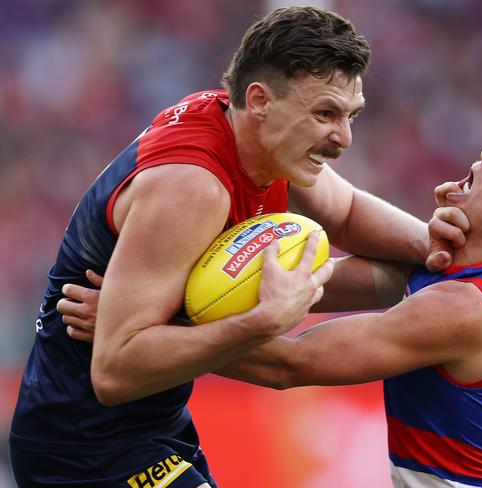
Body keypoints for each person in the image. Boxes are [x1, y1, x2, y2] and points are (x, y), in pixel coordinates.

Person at [9, 6, 442, 488]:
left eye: (350, 115)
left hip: (153, 426)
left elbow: (345, 215)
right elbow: (116, 371)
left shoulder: (253, 137)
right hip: (84, 450)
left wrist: (442, 252)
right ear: (259, 99)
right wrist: (261, 322)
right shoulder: (193, 187)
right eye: (325, 113)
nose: (343, 137)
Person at [58, 132, 482, 487]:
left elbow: (293, 364)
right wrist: (154, 287)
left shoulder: (468, 309)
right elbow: (313, 279)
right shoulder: (480, 278)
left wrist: (143, 324)